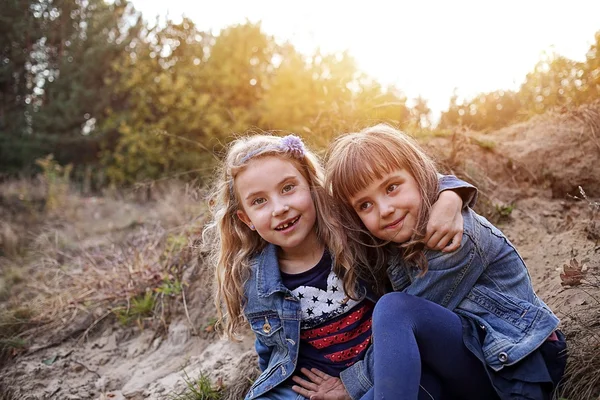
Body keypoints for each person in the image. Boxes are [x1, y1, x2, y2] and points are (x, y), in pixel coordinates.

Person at [292, 124, 567, 400]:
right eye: (365, 205)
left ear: (417, 175)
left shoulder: (456, 238)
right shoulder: (391, 243)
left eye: (391, 187)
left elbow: (402, 317)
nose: (385, 210)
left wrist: (350, 383)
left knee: (393, 308)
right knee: (412, 384)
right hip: (465, 365)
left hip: (515, 371)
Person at [203, 133, 477, 400]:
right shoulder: (255, 279)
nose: (279, 208)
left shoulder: (353, 234)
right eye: (259, 201)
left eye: (288, 188)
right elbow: (273, 351)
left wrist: (450, 197)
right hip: (315, 388)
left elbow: (419, 186)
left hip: (384, 370)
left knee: (420, 385)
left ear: (311, 185)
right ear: (246, 218)